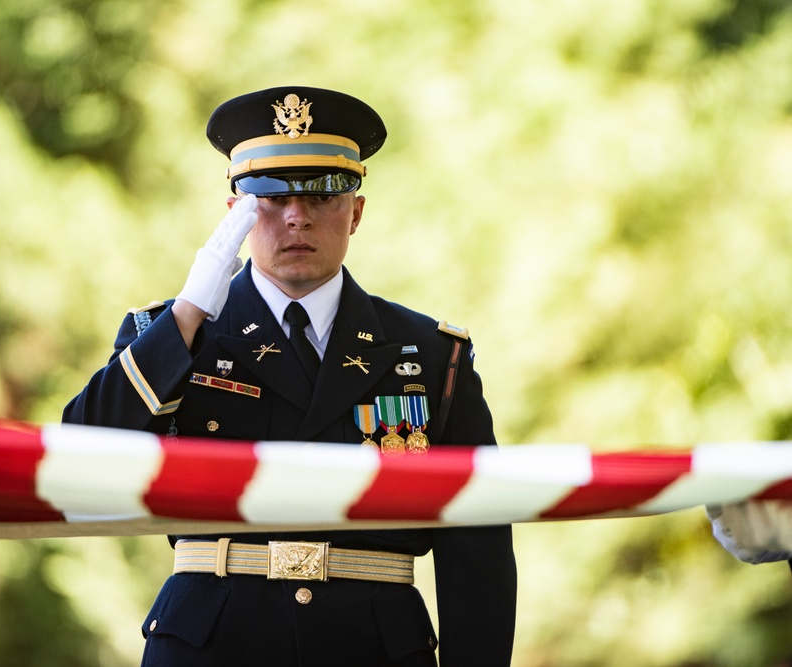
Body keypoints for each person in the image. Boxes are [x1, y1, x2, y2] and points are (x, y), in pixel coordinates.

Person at [64, 86, 516, 666]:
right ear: (235, 214)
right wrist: (187, 314)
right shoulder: (176, 336)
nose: (296, 215)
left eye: (322, 193)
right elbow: (79, 453)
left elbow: (477, 550)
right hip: (212, 644)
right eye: (268, 196)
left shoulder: (429, 354)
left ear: (355, 212)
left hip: (372, 646)